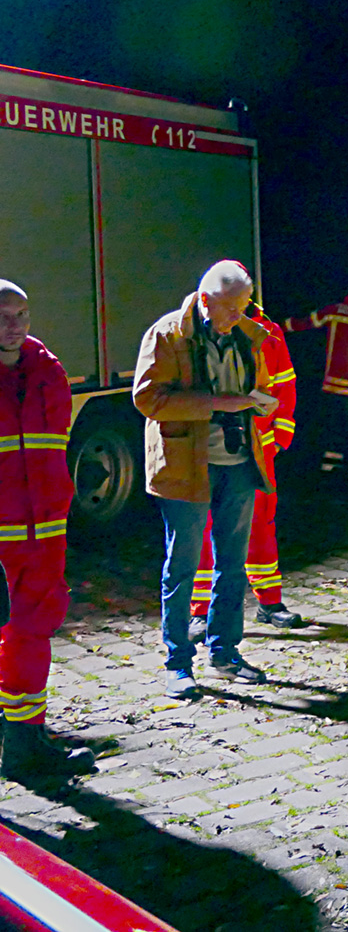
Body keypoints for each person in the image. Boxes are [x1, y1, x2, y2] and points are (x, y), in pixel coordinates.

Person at [133, 260, 277, 700]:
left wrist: (258, 401)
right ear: (205, 301)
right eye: (232, 307)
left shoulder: (246, 335)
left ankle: (225, 653)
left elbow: (258, 383)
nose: (240, 315)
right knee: (182, 567)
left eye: (244, 306)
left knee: (233, 564)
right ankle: (177, 664)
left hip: (238, 462)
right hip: (185, 467)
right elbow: (147, 398)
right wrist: (218, 403)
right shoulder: (167, 334)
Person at [0, 280, 95, 782]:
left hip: (43, 533)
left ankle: (24, 740)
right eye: (3, 316)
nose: (14, 326)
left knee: (33, 629)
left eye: (21, 314)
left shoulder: (47, 370)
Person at [189, 302, 301, 635]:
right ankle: (200, 610)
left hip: (257, 447)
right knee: (204, 525)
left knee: (261, 522)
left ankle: (270, 602)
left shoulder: (268, 332)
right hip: (208, 445)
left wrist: (279, 437)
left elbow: (285, 386)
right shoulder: (193, 331)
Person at [283, 278, 348, 485]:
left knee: (332, 428)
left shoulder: (335, 311)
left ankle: (329, 475)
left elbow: (303, 323)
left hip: (333, 385)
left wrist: (274, 326)